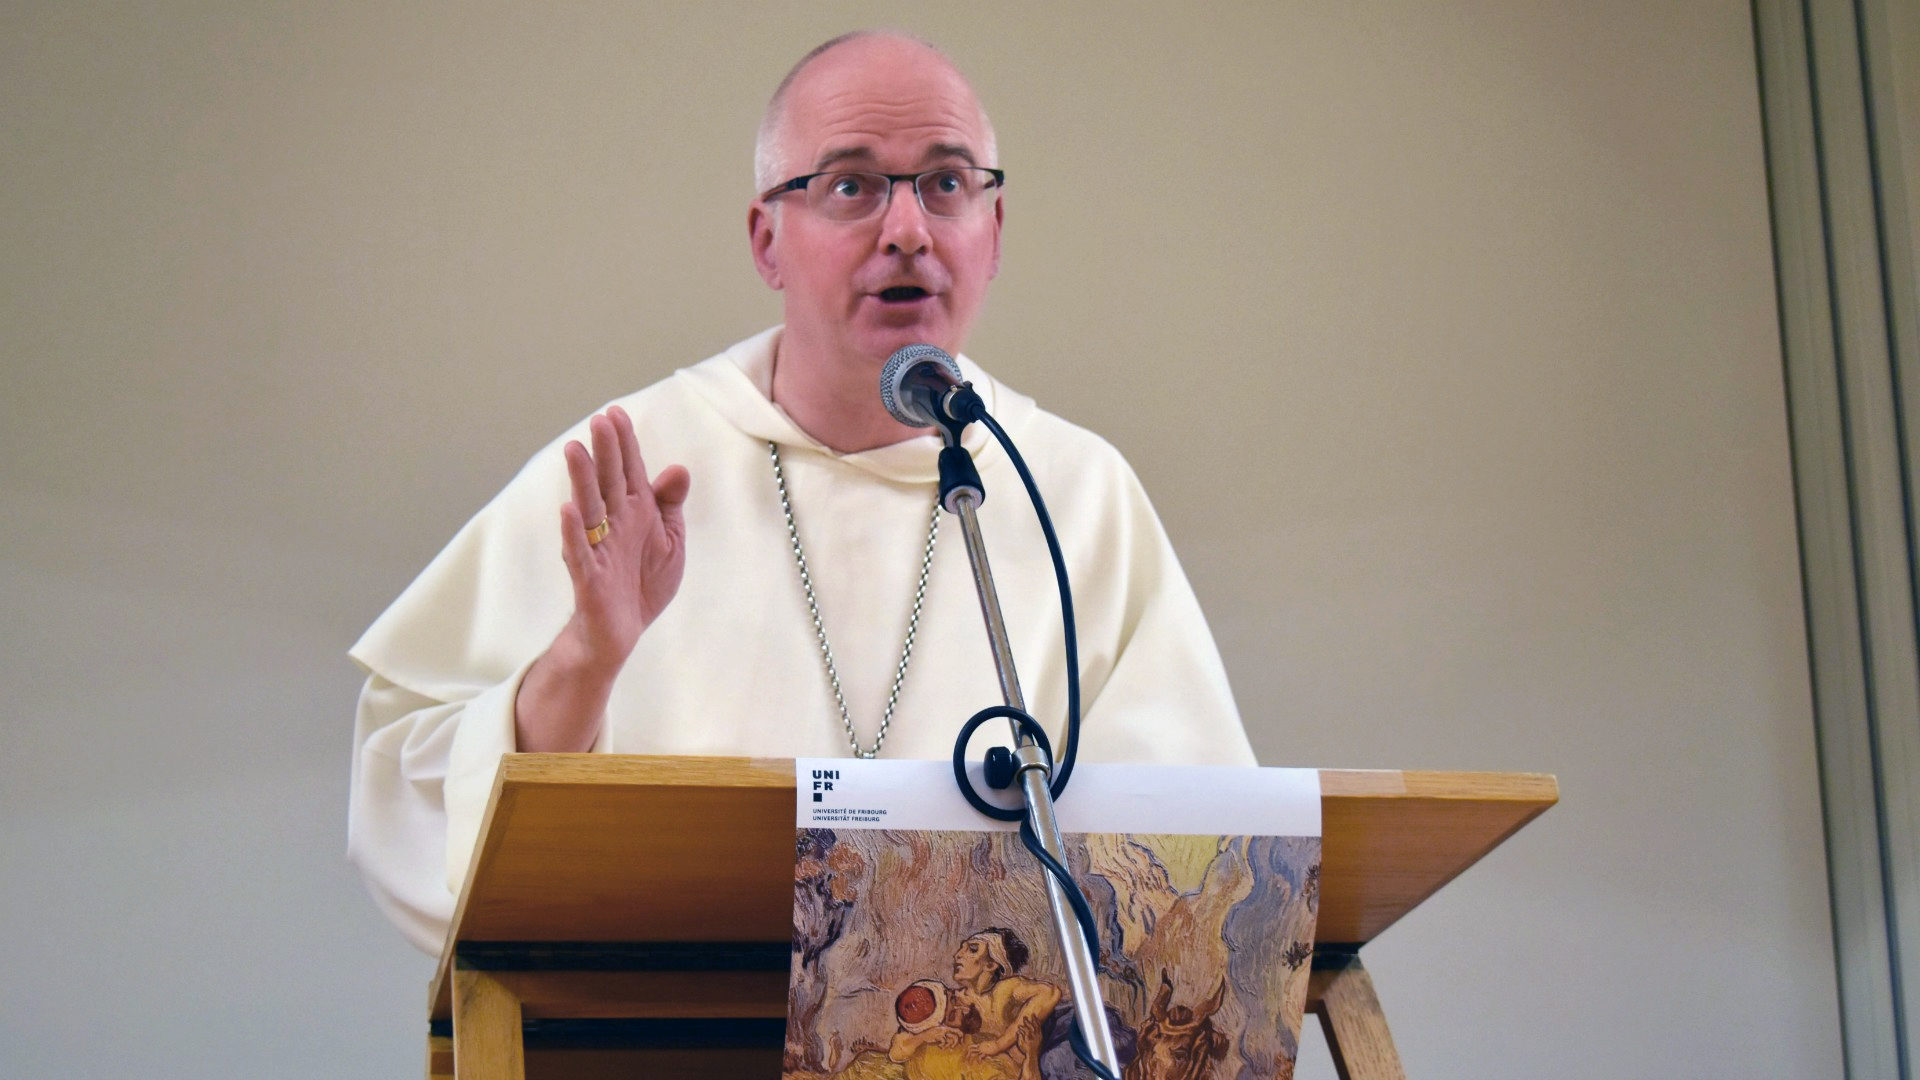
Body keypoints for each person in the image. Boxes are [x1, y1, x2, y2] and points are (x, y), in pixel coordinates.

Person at [348, 30, 1257, 955]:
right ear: (768, 241)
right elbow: (411, 799)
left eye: (946, 183)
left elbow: (1196, 867)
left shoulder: (1073, 492)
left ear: (994, 233)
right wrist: (586, 658)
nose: (908, 230)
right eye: (851, 185)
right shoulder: (633, 471)